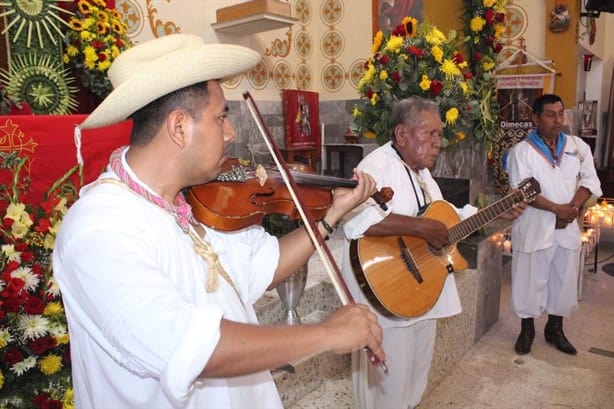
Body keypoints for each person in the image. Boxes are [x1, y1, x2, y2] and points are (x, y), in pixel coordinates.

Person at [52, 33, 385, 408]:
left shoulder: (181, 205)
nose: (230, 132)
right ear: (179, 128)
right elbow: (193, 348)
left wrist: (329, 217)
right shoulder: (100, 229)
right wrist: (325, 335)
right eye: (221, 117)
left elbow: (263, 265)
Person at [341, 96, 525, 409]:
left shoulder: (422, 174)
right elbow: (356, 218)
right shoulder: (377, 166)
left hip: (420, 293)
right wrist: (422, 229)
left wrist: (498, 212)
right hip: (386, 293)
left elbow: (445, 216)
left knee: (413, 384)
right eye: (430, 134)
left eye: (440, 134)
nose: (438, 143)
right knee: (386, 390)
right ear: (402, 135)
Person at [507, 93, 602, 356]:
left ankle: (555, 328)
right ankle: (527, 329)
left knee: (563, 279)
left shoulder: (577, 146)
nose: (558, 120)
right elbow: (523, 191)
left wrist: (570, 209)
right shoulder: (521, 152)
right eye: (550, 115)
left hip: (568, 226)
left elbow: (590, 181)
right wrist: (556, 210)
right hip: (534, 226)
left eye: (560, 113)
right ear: (535, 118)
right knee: (529, 279)